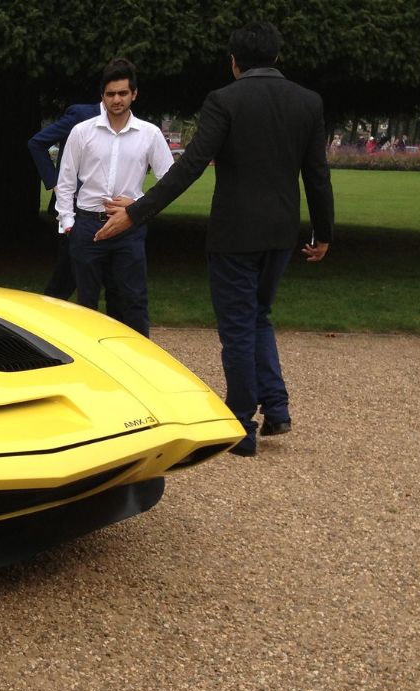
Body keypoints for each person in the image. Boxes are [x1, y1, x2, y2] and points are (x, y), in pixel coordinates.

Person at [94, 21, 334, 457]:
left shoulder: (225, 99)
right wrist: (323, 232)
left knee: (239, 326)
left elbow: (190, 167)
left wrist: (137, 212)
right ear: (277, 57)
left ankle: (242, 423)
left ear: (234, 62)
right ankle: (276, 406)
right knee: (258, 315)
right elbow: (317, 174)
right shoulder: (308, 101)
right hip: (281, 231)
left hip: (234, 233)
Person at [54, 58, 173, 339]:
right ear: (102, 96)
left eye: (122, 93)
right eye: (110, 94)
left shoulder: (149, 134)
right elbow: (66, 181)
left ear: (134, 94)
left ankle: (137, 359)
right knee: (86, 305)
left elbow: (170, 181)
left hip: (128, 226)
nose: (116, 100)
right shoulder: (82, 132)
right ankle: (91, 360)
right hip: (87, 226)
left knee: (132, 301)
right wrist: (68, 223)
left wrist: (139, 207)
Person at [27, 100, 101, 300]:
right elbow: (37, 143)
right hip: (74, 205)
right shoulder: (80, 116)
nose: (118, 100)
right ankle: (48, 312)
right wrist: (55, 183)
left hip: (106, 208)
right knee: (69, 270)